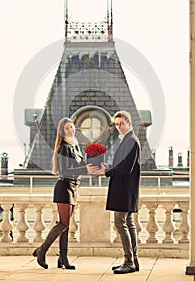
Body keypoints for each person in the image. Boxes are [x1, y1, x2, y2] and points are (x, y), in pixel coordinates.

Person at [33, 117, 98, 270]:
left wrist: (94, 164)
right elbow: (64, 171)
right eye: (67, 128)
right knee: (64, 223)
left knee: (65, 226)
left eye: (72, 127)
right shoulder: (64, 147)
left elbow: (81, 165)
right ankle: (42, 251)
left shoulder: (75, 145)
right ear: (62, 131)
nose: (71, 130)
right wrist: (84, 169)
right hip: (64, 187)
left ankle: (63, 259)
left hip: (74, 186)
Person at [98, 110, 141, 274]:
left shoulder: (131, 140)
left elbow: (126, 168)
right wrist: (108, 168)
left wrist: (107, 172)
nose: (119, 127)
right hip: (125, 188)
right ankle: (133, 261)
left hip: (125, 189)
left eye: (122, 123)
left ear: (129, 124)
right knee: (128, 223)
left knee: (120, 223)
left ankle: (129, 261)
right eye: (116, 124)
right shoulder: (126, 139)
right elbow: (122, 165)